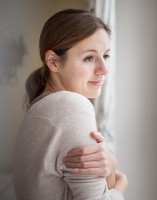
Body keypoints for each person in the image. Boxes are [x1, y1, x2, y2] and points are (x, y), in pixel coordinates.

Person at [13, 9, 128, 200]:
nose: (104, 69)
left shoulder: (43, 106)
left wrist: (111, 166)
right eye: (89, 58)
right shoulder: (71, 106)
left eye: (105, 56)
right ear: (53, 62)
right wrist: (122, 182)